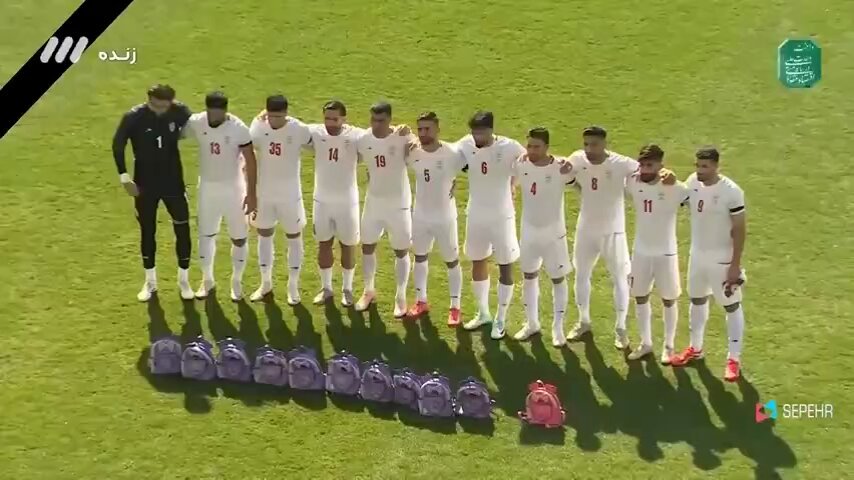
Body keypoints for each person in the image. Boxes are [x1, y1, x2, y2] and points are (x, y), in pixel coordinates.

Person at [565, 126, 676, 349]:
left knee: (620, 279)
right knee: (581, 275)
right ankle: (583, 321)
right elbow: (566, 173)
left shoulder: (620, 163)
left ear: (604, 144)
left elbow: (649, 171)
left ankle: (621, 328)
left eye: (594, 144)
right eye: (586, 144)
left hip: (613, 232)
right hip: (585, 229)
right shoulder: (578, 158)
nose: (589, 149)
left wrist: (666, 174)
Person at [670, 146, 747, 382]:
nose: (700, 170)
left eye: (705, 166)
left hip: (722, 259)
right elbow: (680, 196)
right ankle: (696, 348)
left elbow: (740, 230)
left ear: (716, 166)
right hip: (698, 256)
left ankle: (733, 358)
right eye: (698, 165)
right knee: (697, 301)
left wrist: (735, 265)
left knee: (731, 306)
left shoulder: (732, 192)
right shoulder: (693, 181)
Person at [112, 84, 194, 302]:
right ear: (148, 99)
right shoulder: (134, 117)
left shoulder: (180, 112)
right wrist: (124, 176)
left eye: (164, 106)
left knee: (182, 227)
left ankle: (184, 280)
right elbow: (118, 144)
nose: (159, 110)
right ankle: (150, 282)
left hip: (173, 182)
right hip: (144, 184)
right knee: (147, 231)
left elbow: (202, 129)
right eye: (155, 105)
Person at [182, 91, 256, 301]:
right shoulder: (197, 122)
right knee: (206, 235)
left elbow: (251, 160)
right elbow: (175, 130)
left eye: (218, 112)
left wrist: (251, 194)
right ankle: (207, 281)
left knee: (239, 238)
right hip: (207, 188)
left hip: (234, 188)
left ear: (225, 110)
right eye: (211, 112)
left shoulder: (238, 128)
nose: (214, 116)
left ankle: (236, 282)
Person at [458, 111, 526, 339]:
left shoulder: (510, 147)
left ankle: (501, 318)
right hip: (476, 214)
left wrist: (514, 185)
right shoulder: (467, 144)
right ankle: (483, 312)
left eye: (480, 132)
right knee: (477, 260)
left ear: (490, 130)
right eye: (473, 131)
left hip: (502, 215)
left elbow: (527, 165)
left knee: (505, 264)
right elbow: (442, 153)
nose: (476, 136)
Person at [624, 144, 689, 363]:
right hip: (641, 252)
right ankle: (646, 343)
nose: (644, 169)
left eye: (650, 164)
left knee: (669, 299)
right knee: (640, 296)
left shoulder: (675, 187)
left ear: (661, 164)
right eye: (642, 164)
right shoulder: (632, 181)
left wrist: (675, 180)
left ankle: (669, 346)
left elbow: (695, 202)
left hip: (666, 253)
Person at [510, 128, 574, 347]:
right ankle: (532, 323)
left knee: (557, 279)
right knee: (528, 276)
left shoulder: (561, 167)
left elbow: (578, 180)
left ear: (547, 147)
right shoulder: (521, 164)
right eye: (529, 146)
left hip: (554, 234)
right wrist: (511, 188)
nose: (532, 151)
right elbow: (511, 180)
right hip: (529, 231)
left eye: (536, 146)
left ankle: (558, 328)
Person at [248, 95, 313, 305]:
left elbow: (318, 142)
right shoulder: (258, 127)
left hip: (290, 195)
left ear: (286, 113)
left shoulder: (298, 129)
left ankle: (293, 286)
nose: (275, 120)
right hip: (264, 193)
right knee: (264, 235)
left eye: (279, 116)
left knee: (294, 236)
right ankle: (265, 284)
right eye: (271, 116)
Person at [354, 102, 415, 317]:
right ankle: (368, 290)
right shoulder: (363, 139)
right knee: (367, 246)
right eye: (373, 120)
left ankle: (400, 296)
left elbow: (420, 152)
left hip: (398, 205)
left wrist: (412, 136)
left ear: (389, 120)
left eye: (381, 121)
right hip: (374, 202)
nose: (376, 125)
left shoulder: (402, 137)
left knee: (400, 251)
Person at [406, 111, 466, 326]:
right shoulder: (413, 152)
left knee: (451, 261)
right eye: (420, 129)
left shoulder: (452, 154)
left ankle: (455, 307)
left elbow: (476, 170)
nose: (423, 133)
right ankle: (421, 301)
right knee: (420, 257)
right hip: (420, 215)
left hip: (445, 217)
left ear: (438, 129)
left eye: (427, 129)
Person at [309, 100, 366, 307]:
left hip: (347, 202)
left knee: (348, 246)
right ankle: (326, 288)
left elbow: (380, 136)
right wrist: (264, 115)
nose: (330, 123)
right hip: (321, 201)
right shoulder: (315, 132)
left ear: (344, 118)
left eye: (335, 119)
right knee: (323, 243)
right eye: (327, 118)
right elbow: (290, 127)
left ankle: (347, 289)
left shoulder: (355, 135)